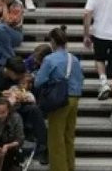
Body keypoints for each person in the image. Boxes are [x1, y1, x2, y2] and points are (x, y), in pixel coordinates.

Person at [0, 56, 49, 164]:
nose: (20, 77)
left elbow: (31, 93)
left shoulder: (20, 77)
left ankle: (42, 148)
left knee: (35, 109)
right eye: (18, 75)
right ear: (9, 71)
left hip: (18, 107)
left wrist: (24, 96)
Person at [34, 26, 84, 171]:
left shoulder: (49, 59)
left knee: (56, 139)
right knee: (69, 137)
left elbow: (39, 82)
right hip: (74, 99)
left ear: (53, 41)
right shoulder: (73, 58)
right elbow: (80, 79)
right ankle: (70, 167)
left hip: (58, 100)